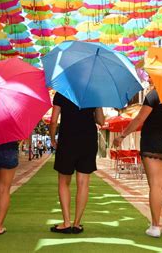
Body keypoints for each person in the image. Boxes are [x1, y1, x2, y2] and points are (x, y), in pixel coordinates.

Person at [114, 86, 162, 238]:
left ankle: (155, 226)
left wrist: (122, 135)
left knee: (156, 184)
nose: (149, 79)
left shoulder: (153, 95)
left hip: (152, 141)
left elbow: (139, 119)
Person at [49, 92, 105, 234]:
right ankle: (77, 224)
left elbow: (53, 120)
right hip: (88, 140)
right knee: (83, 182)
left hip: (67, 139)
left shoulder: (61, 92)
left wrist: (52, 138)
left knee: (63, 181)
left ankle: (66, 222)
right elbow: (101, 121)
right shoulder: (93, 92)